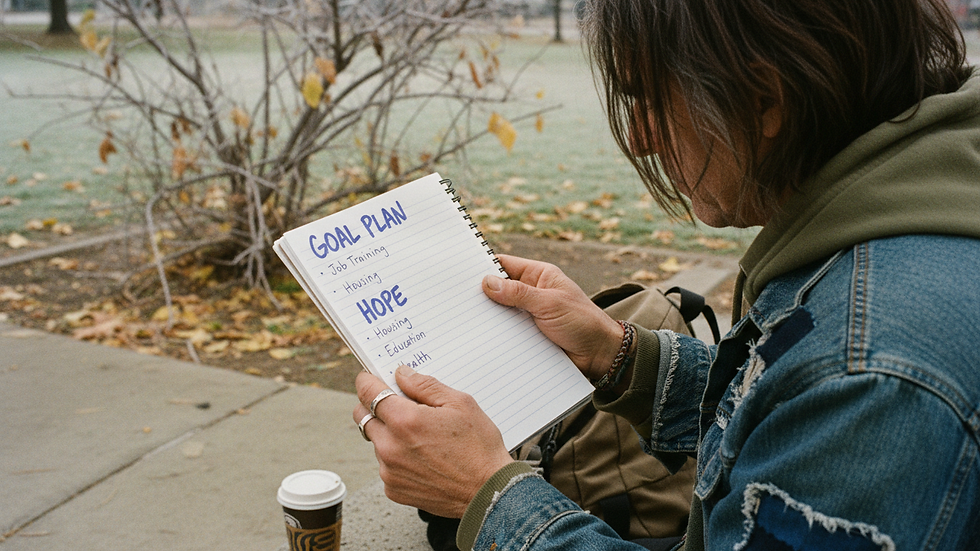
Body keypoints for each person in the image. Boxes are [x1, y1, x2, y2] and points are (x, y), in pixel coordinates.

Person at [353, 0, 980, 549]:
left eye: (649, 100)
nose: (644, 139)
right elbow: (780, 418)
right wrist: (617, 355)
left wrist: (484, 494)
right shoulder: (904, 225)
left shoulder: (868, 373)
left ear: (764, 99)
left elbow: (826, 398)